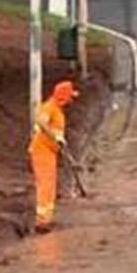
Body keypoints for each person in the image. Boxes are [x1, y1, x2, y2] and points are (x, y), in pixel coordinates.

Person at [28, 80, 79, 233]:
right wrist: (54, 137)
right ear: (63, 97)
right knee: (46, 184)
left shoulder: (57, 109)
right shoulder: (49, 107)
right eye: (70, 97)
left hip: (50, 152)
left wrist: (60, 142)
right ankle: (42, 221)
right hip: (42, 151)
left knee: (50, 184)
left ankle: (46, 218)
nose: (72, 101)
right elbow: (42, 122)